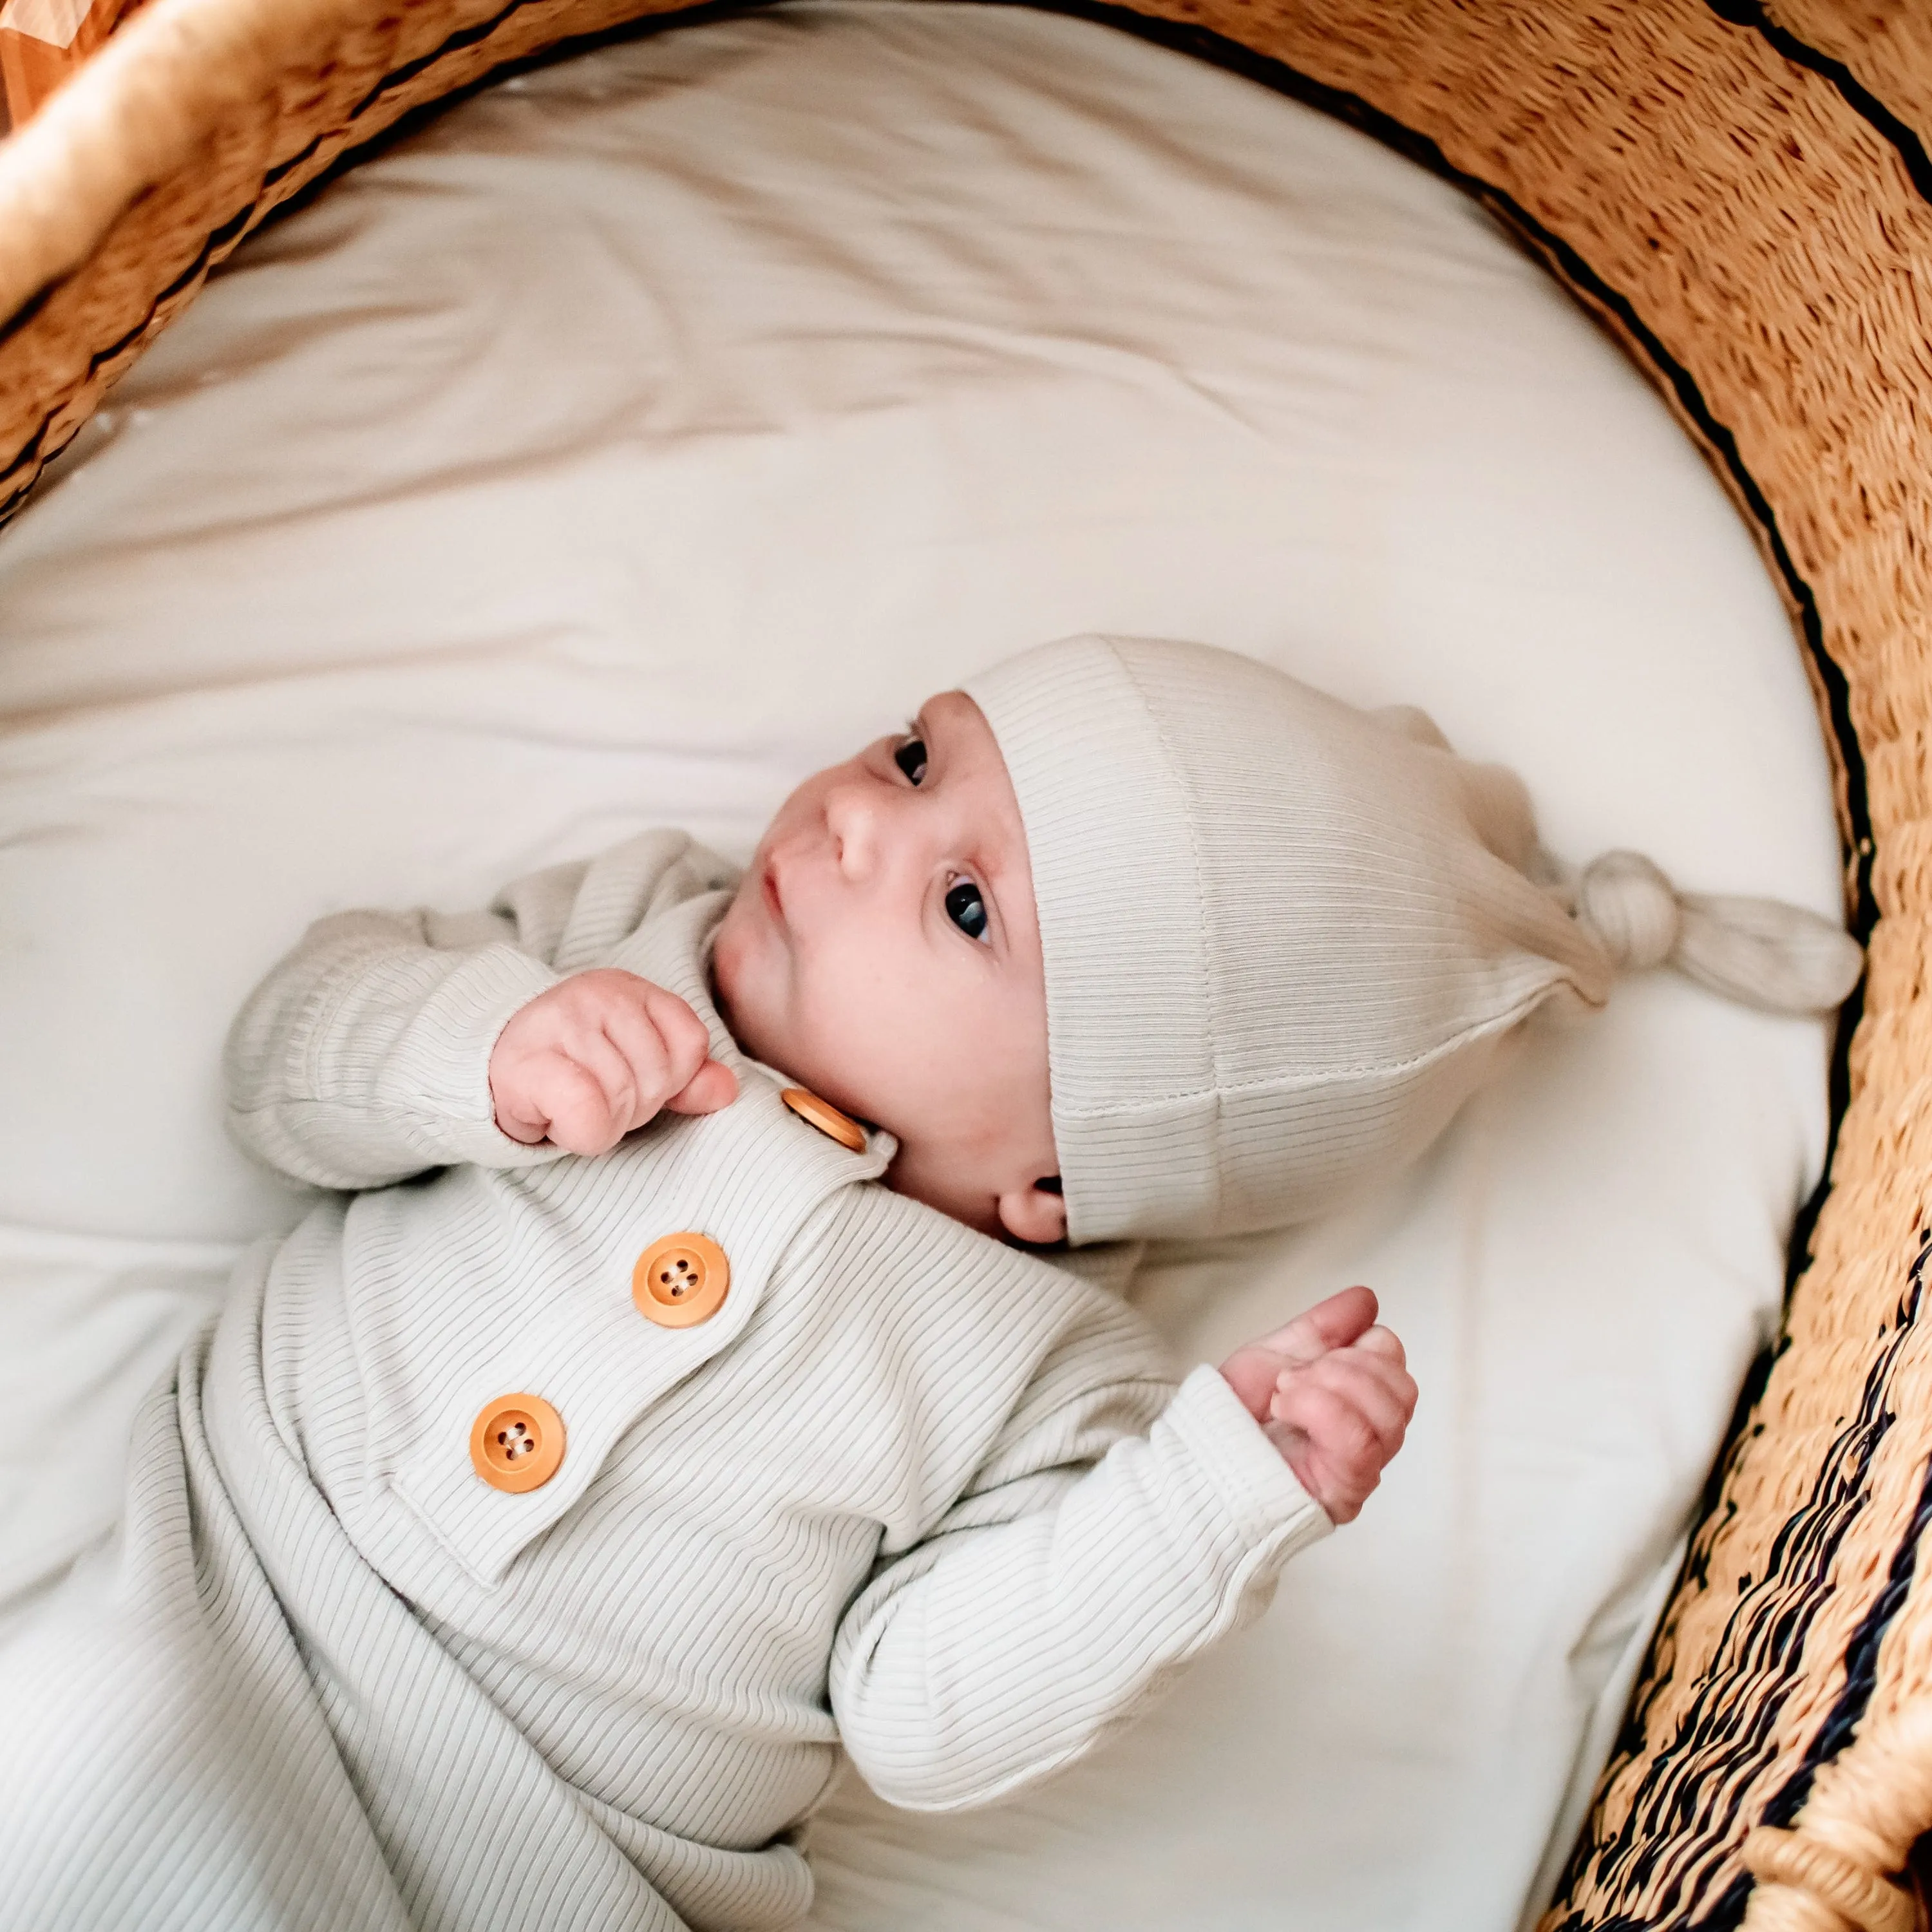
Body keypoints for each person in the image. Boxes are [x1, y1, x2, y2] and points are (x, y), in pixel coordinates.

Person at [0, 636, 1861, 1932]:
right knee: (77, 1766)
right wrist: (475, 1049)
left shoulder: (1055, 1381)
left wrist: (1207, 1504)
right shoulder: (629, 935)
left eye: (967, 906)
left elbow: (925, 1713)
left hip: (545, 1863)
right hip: (221, 1600)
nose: (853, 826)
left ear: (1058, 1179)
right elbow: (284, 1062)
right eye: (915, 755)